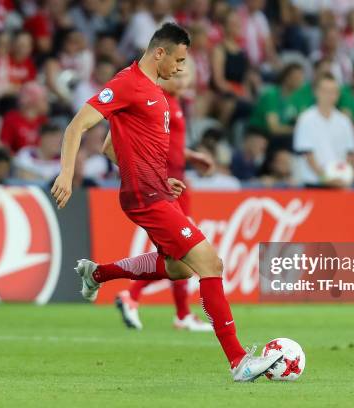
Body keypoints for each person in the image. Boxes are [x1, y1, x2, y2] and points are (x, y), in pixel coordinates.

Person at [51, 23, 282, 382]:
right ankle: (238, 361)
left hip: (155, 190)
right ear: (159, 52)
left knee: (178, 268)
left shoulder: (153, 92)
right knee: (211, 264)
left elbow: (110, 147)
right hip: (146, 198)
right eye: (178, 59)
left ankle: (98, 273)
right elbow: (77, 126)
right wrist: (66, 173)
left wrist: (158, 176)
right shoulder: (127, 84)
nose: (180, 68)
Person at [115, 66, 214, 332]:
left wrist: (191, 156)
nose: (183, 81)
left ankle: (180, 313)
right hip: (165, 185)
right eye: (179, 75)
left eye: (187, 75)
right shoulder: (158, 102)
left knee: (178, 252)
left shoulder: (175, 102)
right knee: (183, 251)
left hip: (178, 183)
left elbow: (171, 143)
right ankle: (133, 295)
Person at [293, 74, 354, 187]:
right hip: (313, 183)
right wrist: (325, 177)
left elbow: (350, 153)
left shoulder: (345, 121)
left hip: (340, 184)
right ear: (316, 92)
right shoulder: (305, 119)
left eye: (333, 91)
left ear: (337, 95)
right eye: (325, 91)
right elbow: (307, 154)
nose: (328, 95)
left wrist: (344, 176)